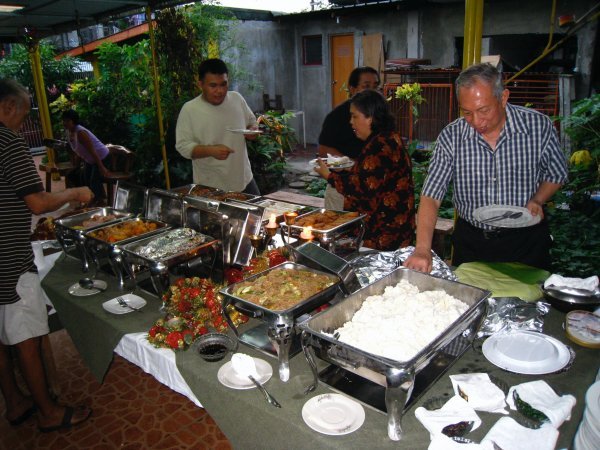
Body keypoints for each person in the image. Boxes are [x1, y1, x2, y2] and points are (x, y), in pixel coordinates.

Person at [404, 63, 568, 273]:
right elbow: (431, 196)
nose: (476, 121)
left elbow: (557, 173)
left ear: (503, 97)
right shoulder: (452, 136)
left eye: (483, 110)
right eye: (467, 112)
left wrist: (538, 199)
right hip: (473, 242)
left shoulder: (537, 126)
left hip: (527, 241)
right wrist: (422, 249)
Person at [0, 79, 93, 431]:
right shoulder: (7, 141)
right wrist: (75, 193)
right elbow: (38, 202)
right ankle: (48, 411)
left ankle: (15, 403)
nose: (22, 124)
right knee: (28, 335)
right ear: (9, 107)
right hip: (8, 257)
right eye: (23, 115)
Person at [314, 89, 415, 251]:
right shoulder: (387, 138)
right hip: (395, 229)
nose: (350, 122)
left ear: (371, 117)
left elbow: (362, 189)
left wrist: (329, 176)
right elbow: (366, 178)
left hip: (383, 235)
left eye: (355, 116)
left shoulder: (379, 146)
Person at [175, 58, 260, 194]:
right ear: (200, 84)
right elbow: (182, 146)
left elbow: (251, 121)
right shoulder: (190, 109)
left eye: (223, 84)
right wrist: (211, 151)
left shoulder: (237, 99)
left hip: (245, 180)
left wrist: (252, 131)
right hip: (210, 187)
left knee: (259, 215)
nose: (219, 91)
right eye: (213, 86)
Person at [318, 66, 380, 210]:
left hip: (372, 192)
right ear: (352, 89)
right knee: (340, 228)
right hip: (342, 188)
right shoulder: (337, 116)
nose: (372, 92)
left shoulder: (381, 119)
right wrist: (347, 163)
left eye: (376, 87)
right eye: (366, 86)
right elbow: (323, 149)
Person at [62, 109, 110, 205]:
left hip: (101, 157)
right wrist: (76, 166)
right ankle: (98, 198)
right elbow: (79, 150)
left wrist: (102, 167)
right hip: (91, 160)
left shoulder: (80, 133)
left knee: (93, 181)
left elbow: (92, 151)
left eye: (67, 121)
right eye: (63, 120)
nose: (64, 123)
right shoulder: (68, 132)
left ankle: (96, 202)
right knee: (84, 177)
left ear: (73, 121)